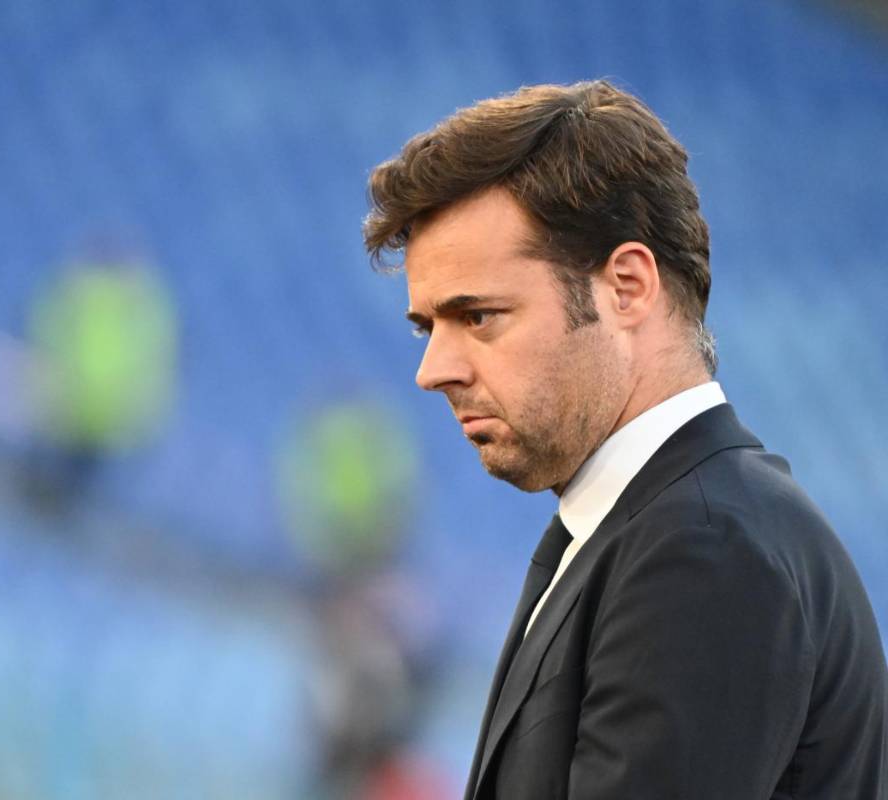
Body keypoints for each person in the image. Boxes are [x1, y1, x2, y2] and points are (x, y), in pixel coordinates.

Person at [362, 80, 888, 799]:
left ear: (628, 287)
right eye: (428, 327)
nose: (432, 370)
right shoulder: (652, 527)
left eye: (478, 316)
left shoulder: (703, 549)